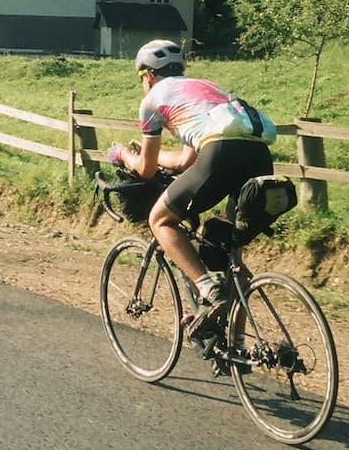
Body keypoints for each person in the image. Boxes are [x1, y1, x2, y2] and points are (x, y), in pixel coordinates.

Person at [106, 39, 275, 349]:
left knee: (160, 220)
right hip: (260, 157)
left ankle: (209, 289)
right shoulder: (204, 88)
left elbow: (144, 170)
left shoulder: (153, 101)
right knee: (232, 256)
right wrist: (151, 158)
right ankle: (235, 346)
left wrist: (122, 155)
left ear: (147, 76)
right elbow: (185, 161)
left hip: (220, 153)